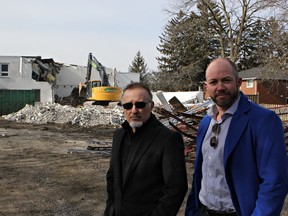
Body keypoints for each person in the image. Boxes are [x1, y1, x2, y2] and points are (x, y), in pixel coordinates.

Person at [185, 58, 288, 216]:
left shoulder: (263, 121)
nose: (220, 87)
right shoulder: (206, 123)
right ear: (206, 87)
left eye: (226, 80)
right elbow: (200, 174)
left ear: (238, 82)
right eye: (213, 82)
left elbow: (274, 182)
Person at [104, 82, 188, 216]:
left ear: (152, 106)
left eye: (140, 105)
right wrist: (111, 208)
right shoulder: (119, 135)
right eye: (127, 105)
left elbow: (175, 189)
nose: (133, 110)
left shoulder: (168, 139)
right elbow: (112, 176)